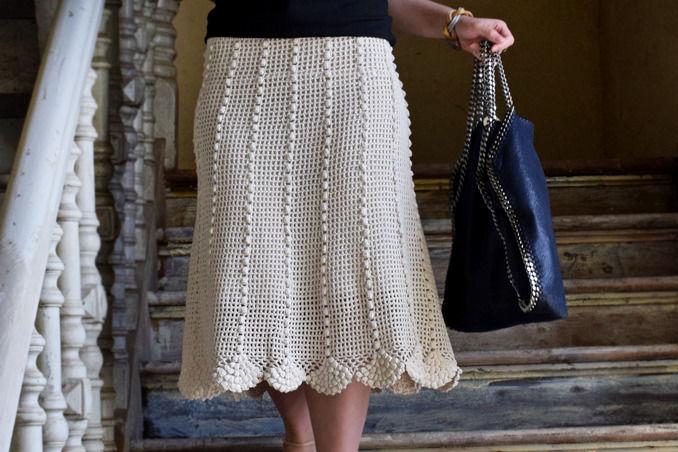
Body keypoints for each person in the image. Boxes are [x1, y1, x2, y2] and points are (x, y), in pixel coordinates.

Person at [177, 1, 515, 451]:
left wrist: (453, 23)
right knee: (258, 275)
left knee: (350, 278)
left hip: (353, 77)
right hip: (241, 74)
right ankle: (300, 438)